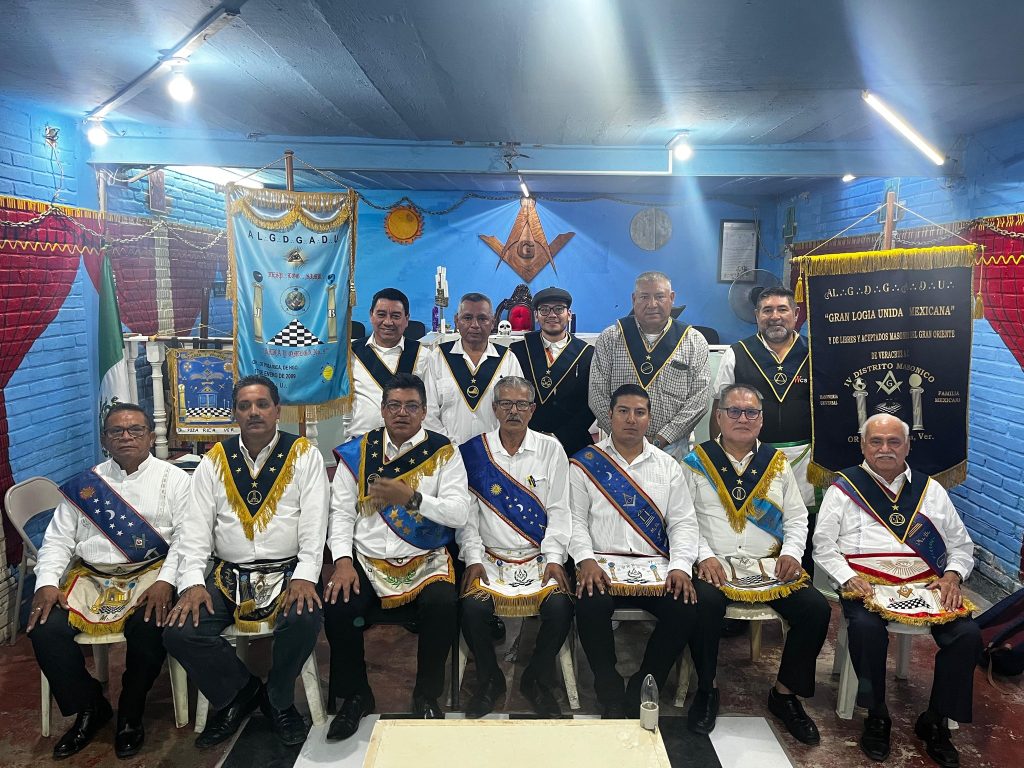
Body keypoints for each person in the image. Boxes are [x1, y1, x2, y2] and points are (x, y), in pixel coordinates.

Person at [164, 375, 329, 749]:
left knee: (303, 620)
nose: (254, 412)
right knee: (180, 632)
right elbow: (194, 529)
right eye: (244, 406)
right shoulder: (214, 461)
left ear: (277, 410)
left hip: (289, 571)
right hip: (229, 575)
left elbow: (315, 523)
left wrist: (306, 576)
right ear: (235, 413)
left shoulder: (304, 455)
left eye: (262, 404)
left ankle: (279, 699)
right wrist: (191, 583)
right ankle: (239, 692)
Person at [814, 414, 981, 768]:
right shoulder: (843, 489)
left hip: (927, 585)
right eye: (876, 442)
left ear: (908, 446)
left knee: (967, 635)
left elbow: (961, 546)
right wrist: (847, 578)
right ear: (863, 446)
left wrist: (952, 576)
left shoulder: (931, 490)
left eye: (894, 442)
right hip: (867, 585)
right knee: (865, 628)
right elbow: (824, 546)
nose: (885, 449)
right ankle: (877, 714)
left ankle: (935, 719)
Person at [27, 403, 190, 760]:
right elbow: (57, 540)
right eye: (117, 431)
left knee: (151, 625)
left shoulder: (175, 480)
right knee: (44, 627)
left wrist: (166, 581)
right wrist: (47, 583)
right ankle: (90, 706)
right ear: (104, 440)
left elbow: (185, 538)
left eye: (135, 429)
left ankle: (131, 710)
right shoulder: (86, 486)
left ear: (150, 436)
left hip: (149, 573)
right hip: (92, 576)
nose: (126, 436)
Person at [324, 373, 471, 740]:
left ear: (424, 411)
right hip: (367, 560)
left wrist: (412, 498)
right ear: (382, 409)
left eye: (411, 406)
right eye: (394, 405)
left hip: (424, 557)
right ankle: (356, 695)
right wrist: (342, 561)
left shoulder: (444, 452)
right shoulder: (359, 452)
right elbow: (340, 514)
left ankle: (426, 695)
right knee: (339, 605)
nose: (402, 413)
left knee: (443, 604)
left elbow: (458, 513)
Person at [683, 383, 830, 743]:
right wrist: (704, 556)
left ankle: (785, 694)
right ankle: (707, 689)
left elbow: (797, 517)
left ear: (761, 421)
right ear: (719, 417)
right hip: (714, 564)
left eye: (751, 412)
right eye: (734, 411)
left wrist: (792, 553)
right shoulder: (695, 463)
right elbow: (683, 519)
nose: (743, 418)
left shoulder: (776, 464)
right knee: (703, 603)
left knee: (815, 608)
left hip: (769, 566)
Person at [569, 383, 710, 718]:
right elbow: (574, 520)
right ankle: (608, 687)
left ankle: (646, 682)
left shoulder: (668, 466)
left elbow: (683, 523)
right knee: (590, 603)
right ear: (610, 415)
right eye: (623, 411)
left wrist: (680, 566)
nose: (631, 419)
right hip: (602, 564)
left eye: (639, 412)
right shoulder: (584, 463)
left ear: (649, 418)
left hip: (655, 566)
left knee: (685, 607)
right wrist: (585, 560)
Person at [458, 376, 574, 718]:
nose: (514, 411)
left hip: (538, 557)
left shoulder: (551, 449)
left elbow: (560, 510)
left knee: (560, 607)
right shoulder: (474, 452)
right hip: (490, 558)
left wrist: (555, 558)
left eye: (522, 404)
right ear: (495, 409)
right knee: (472, 608)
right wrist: (473, 559)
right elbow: (468, 517)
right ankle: (489, 679)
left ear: (532, 410)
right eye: (506, 404)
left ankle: (536, 678)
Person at [712, 287, 817, 570]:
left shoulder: (815, 351)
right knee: (751, 529)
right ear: (757, 315)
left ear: (796, 314)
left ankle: (798, 584)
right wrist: (718, 458)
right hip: (752, 458)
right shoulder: (737, 353)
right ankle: (747, 583)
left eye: (782, 309)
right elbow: (719, 408)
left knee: (801, 527)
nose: (775, 316)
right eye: (767, 310)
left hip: (805, 460)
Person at [588, 271, 710, 456]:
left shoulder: (694, 341)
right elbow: (597, 394)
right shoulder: (610, 338)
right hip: (619, 446)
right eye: (644, 297)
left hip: (672, 448)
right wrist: (624, 436)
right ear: (634, 299)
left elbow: (698, 401)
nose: (652, 304)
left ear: (672, 298)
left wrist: (661, 439)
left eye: (660, 296)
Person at [424, 292, 523, 445]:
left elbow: (518, 410)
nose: (475, 325)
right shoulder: (438, 357)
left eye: (482, 318)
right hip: (448, 451)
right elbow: (428, 412)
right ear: (457, 321)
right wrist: (449, 448)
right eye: (467, 318)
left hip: (496, 452)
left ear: (493, 322)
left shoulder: (508, 360)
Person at [509, 286, 595, 456]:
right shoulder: (518, 351)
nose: (552, 315)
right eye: (544, 309)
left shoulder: (587, 354)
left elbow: (590, 403)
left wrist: (560, 436)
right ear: (536, 315)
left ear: (569, 314)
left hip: (572, 440)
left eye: (559, 309)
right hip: (527, 439)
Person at [348, 287, 432, 439]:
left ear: (407, 319)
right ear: (371, 315)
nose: (388, 322)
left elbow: (429, 406)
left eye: (395, 316)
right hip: (362, 441)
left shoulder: (423, 355)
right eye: (381, 314)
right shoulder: (352, 353)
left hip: (409, 443)